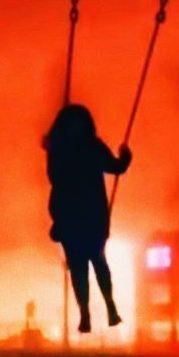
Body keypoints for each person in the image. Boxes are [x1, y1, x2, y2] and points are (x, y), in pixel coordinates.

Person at [45, 104, 132, 333]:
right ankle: (86, 312)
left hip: (78, 214)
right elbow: (115, 166)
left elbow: (115, 167)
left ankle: (109, 307)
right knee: (82, 266)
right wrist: (124, 159)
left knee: (96, 262)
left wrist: (124, 159)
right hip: (79, 214)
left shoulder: (63, 148)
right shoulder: (81, 148)